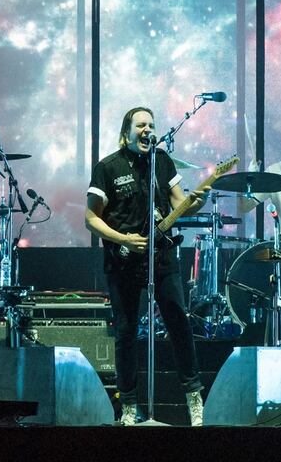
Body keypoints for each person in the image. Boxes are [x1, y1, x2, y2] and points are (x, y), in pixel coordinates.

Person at [85, 107, 207, 426]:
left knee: (179, 322)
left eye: (152, 124)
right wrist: (122, 239)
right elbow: (90, 218)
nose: (148, 129)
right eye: (141, 125)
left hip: (162, 256)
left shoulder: (162, 160)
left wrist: (196, 201)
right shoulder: (107, 168)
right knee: (126, 332)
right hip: (122, 260)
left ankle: (194, 400)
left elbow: (181, 202)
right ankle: (128, 406)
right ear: (127, 132)